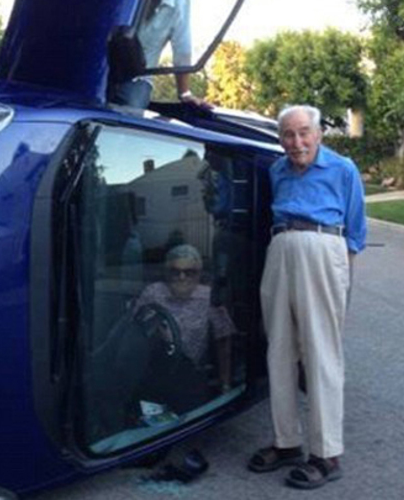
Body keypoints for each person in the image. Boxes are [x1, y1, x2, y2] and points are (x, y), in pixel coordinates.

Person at [247, 105, 366, 490]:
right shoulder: (278, 170)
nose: (296, 142)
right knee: (278, 349)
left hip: (324, 248)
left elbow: (355, 230)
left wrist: (343, 279)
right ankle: (287, 443)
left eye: (303, 133)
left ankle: (326, 454)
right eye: (288, 135)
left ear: (318, 134)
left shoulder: (342, 168)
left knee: (321, 352)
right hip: (280, 249)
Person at [135, 243, 234, 399]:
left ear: (199, 274)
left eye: (189, 272)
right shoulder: (153, 292)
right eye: (175, 272)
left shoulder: (208, 296)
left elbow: (224, 342)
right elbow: (135, 331)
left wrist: (225, 384)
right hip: (153, 370)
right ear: (166, 273)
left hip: (191, 373)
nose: (182, 278)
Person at [110, 0, 210, 109]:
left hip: (139, 76)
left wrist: (184, 93)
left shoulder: (179, 4)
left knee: (132, 105)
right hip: (100, 59)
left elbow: (182, 50)